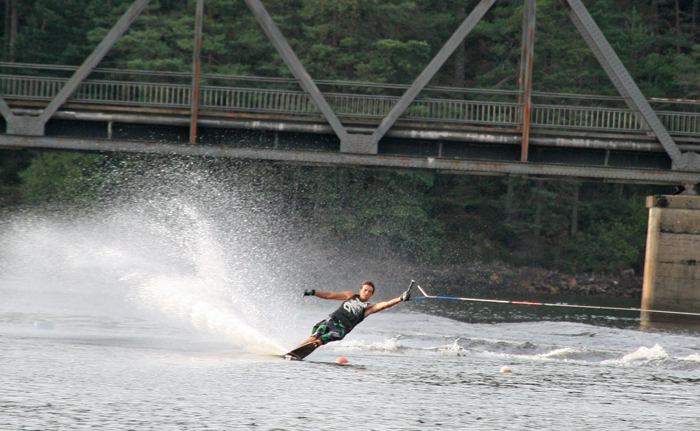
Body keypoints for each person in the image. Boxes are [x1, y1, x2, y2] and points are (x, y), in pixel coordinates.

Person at [296, 280, 411, 347]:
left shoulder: (368, 308)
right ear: (360, 290)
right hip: (331, 320)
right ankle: (294, 350)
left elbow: (385, 304)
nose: (367, 293)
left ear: (371, 295)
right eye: (365, 290)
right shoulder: (349, 295)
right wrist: (314, 292)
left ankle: (308, 348)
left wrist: (400, 298)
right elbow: (329, 295)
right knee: (314, 337)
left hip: (341, 329)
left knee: (322, 339)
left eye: (370, 292)